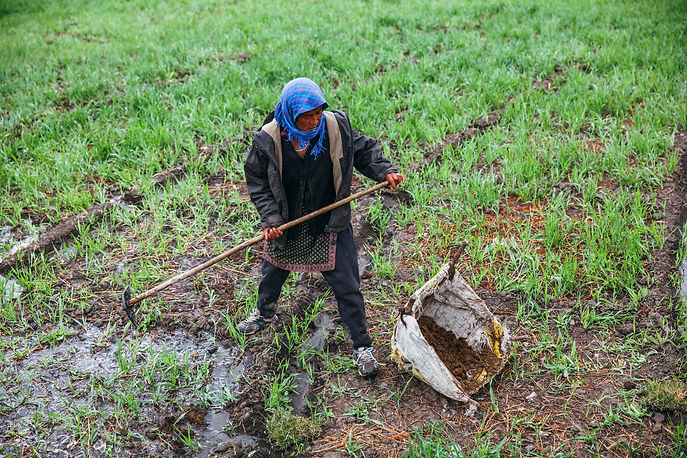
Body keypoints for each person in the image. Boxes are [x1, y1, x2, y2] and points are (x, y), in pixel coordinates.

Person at [240, 77, 404, 377]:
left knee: (347, 283)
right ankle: (264, 313)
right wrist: (271, 219)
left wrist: (385, 171)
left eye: (317, 113)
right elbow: (258, 183)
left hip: (329, 221)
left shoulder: (334, 127)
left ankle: (362, 347)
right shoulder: (268, 139)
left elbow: (364, 151)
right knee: (273, 272)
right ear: (290, 114)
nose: (313, 121)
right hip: (288, 221)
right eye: (306, 117)